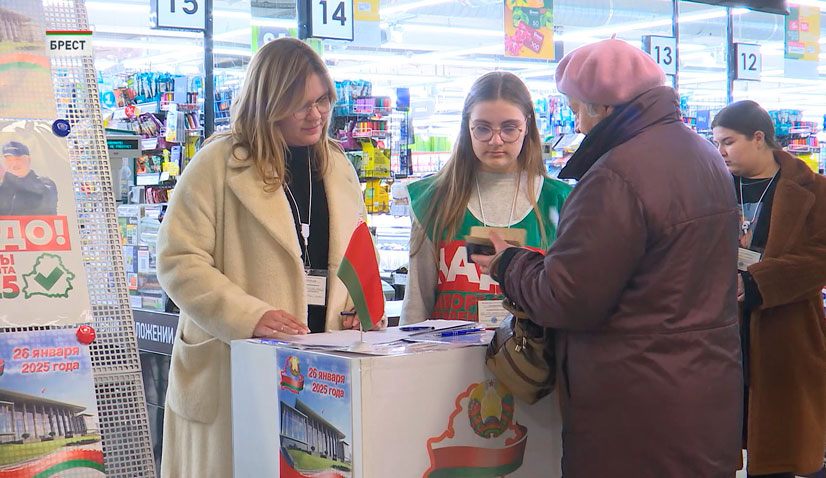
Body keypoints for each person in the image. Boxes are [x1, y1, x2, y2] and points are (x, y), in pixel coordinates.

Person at [472, 39, 743, 476]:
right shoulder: (703, 155)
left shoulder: (615, 177)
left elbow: (567, 297)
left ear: (602, 108)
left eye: (577, 110)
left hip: (634, 410)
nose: (576, 125)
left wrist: (509, 263)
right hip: (702, 392)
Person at [156, 38, 376, 478]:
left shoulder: (337, 165)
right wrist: (246, 316)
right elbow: (179, 260)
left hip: (318, 367)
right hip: (232, 361)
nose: (316, 115)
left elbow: (354, 249)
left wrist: (356, 307)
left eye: (323, 101)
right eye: (299, 105)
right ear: (268, 103)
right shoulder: (217, 164)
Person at [712, 100, 826, 478]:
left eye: (728, 142)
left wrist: (759, 282)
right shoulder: (712, 187)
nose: (719, 152)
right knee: (716, 441)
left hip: (786, 331)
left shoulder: (815, 191)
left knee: (777, 449)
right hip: (720, 330)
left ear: (759, 138)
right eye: (716, 143)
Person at [400, 71, 571, 325]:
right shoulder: (431, 198)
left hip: (533, 360)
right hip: (445, 360)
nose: (496, 140)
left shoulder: (560, 200)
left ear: (527, 126)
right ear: (467, 126)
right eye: (483, 128)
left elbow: (568, 299)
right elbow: (417, 301)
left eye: (509, 128)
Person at [0, 141, 58, 216]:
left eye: (18, 159)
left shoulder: (45, 184)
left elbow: (46, 206)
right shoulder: (3, 187)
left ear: (29, 159)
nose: (14, 163)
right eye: (9, 160)